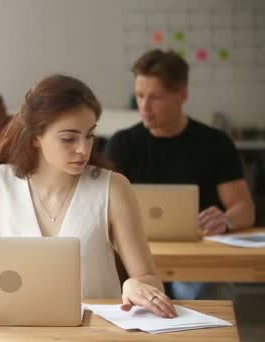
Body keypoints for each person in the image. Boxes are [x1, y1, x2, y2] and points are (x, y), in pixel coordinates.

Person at [0, 74, 177, 318]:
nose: (83, 149)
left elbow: (149, 279)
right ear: (35, 138)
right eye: (68, 138)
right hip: (17, 330)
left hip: (99, 333)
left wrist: (134, 285)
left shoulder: (113, 187)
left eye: (90, 135)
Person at [104, 49, 255, 299]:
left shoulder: (215, 143)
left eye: (155, 98)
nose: (144, 106)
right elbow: (102, 207)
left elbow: (244, 208)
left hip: (197, 259)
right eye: (140, 96)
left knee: (196, 293)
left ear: (182, 95)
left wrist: (226, 220)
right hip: (135, 256)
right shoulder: (122, 143)